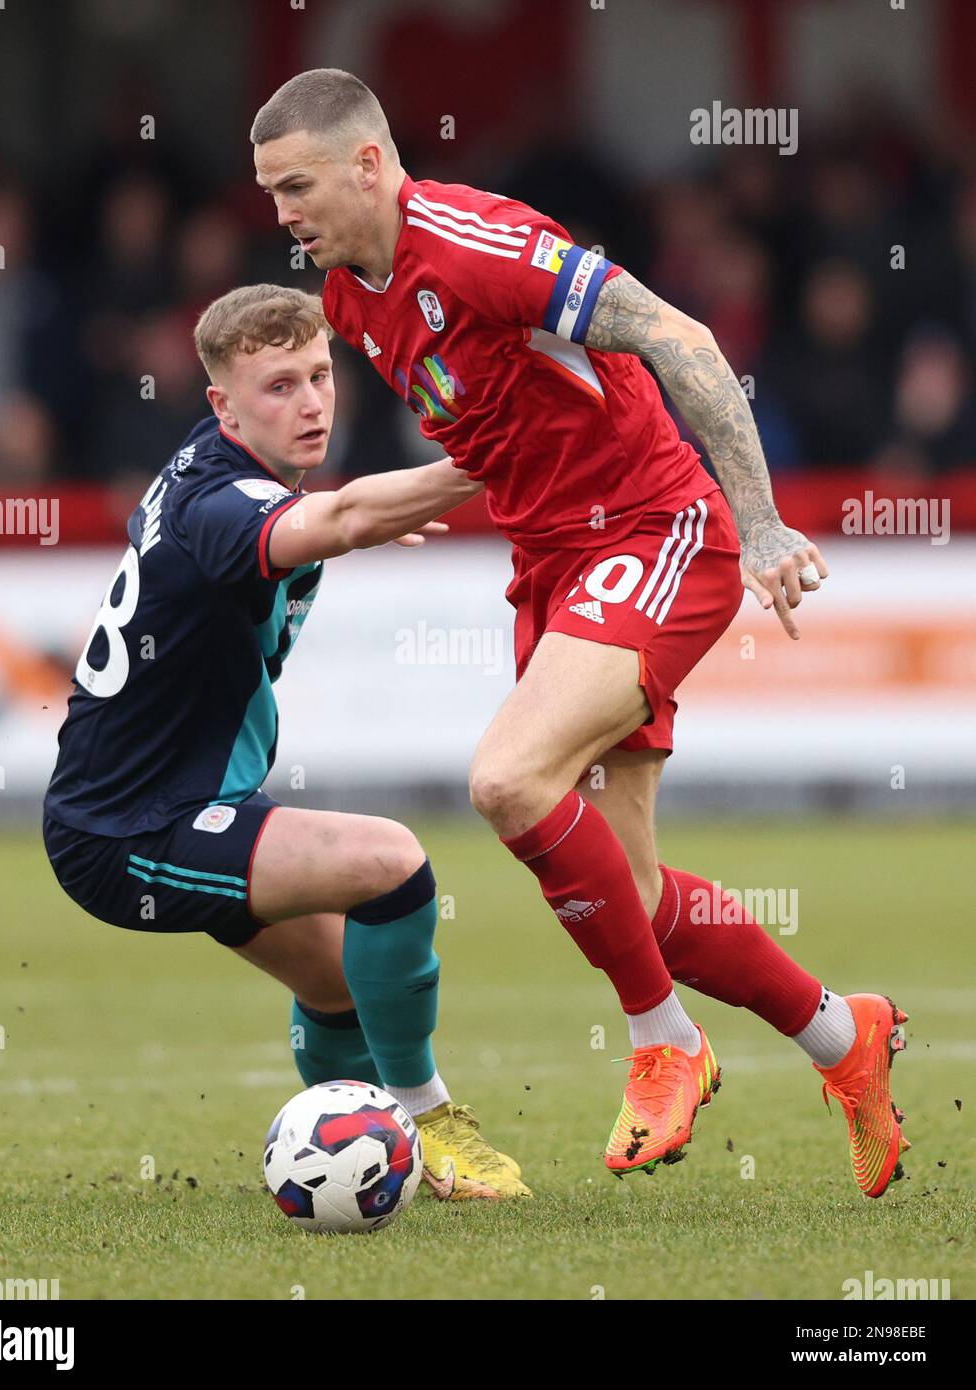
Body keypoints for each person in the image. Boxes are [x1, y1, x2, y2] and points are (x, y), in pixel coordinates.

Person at [248, 71, 910, 1198]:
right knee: (635, 894)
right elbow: (499, 424)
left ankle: (668, 1042)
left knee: (509, 780)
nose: (281, 213)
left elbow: (677, 335)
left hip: (654, 530)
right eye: (269, 192)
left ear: (369, 164)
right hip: (552, 565)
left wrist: (755, 523)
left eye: (297, 185)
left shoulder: (478, 244)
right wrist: (389, 508)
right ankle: (845, 1037)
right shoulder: (351, 296)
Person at [43, 283, 530, 1200]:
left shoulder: (234, 477)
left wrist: (355, 519)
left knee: (341, 983)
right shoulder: (216, 505)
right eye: (277, 387)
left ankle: (364, 1161)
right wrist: (501, 454)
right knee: (391, 863)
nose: (310, 403)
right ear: (221, 405)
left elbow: (332, 519)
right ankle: (429, 1121)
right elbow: (336, 520)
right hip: (129, 831)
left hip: (185, 806)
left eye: (319, 375)